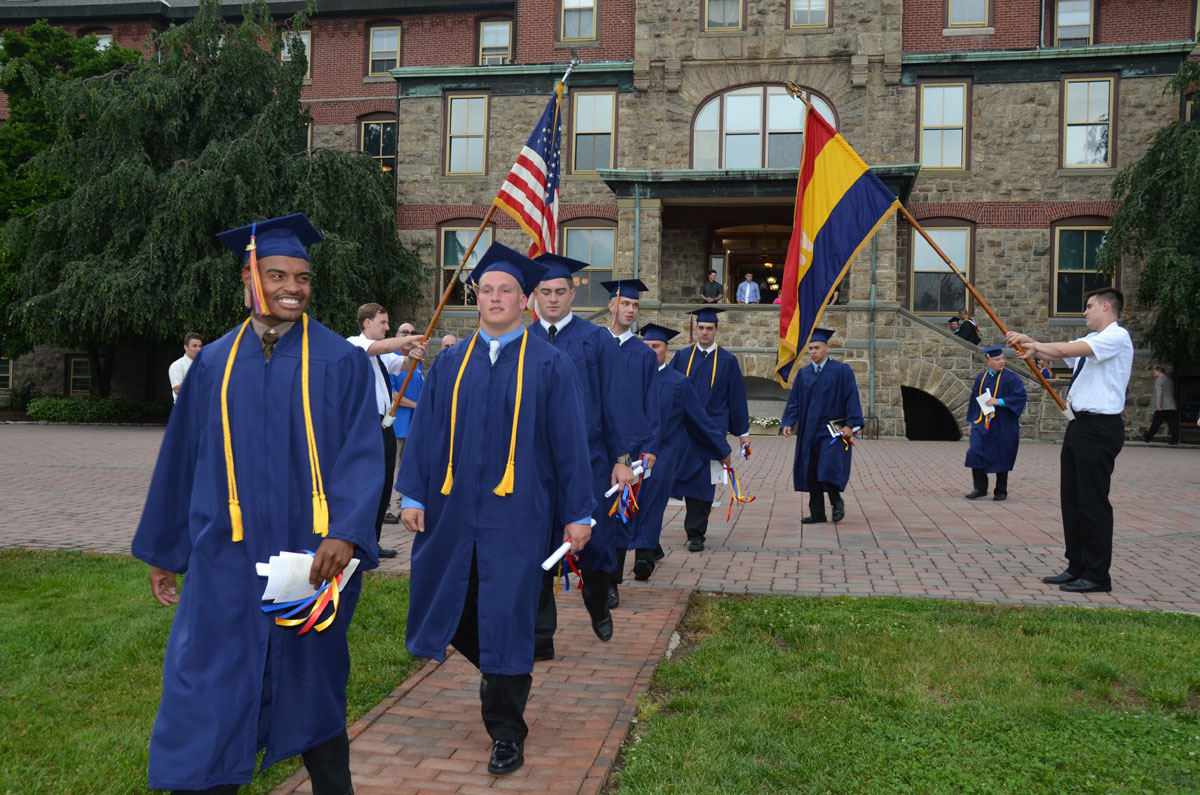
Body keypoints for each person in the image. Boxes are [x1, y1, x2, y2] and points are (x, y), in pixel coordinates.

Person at [131, 213, 382, 795]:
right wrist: (165, 550)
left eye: (302, 276)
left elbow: (364, 456)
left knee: (314, 690)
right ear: (249, 278)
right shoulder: (214, 363)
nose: (292, 287)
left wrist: (345, 532)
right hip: (225, 558)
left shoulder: (339, 362)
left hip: (311, 558)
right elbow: (180, 463)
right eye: (276, 274)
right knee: (208, 688)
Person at [396, 242, 594, 777]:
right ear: (475, 297)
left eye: (507, 289)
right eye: (487, 289)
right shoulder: (451, 364)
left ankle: (506, 730)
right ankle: (500, 667)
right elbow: (426, 433)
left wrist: (579, 513)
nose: (496, 298)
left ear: (525, 300)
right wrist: (412, 493)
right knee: (448, 600)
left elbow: (571, 444)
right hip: (452, 511)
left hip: (519, 515)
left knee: (508, 614)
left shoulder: (550, 364)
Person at [527, 254, 650, 649]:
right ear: (533, 296)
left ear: (573, 291)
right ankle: (541, 635)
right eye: (544, 292)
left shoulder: (595, 339)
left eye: (560, 291)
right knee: (538, 545)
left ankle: (597, 602)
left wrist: (621, 460)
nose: (552, 299)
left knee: (595, 543)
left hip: (591, 459)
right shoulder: (522, 340)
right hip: (536, 465)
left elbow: (617, 400)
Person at [1006, 286, 1133, 594]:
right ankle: (1076, 565)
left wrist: (1034, 342)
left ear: (1106, 306)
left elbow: (1064, 351)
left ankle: (1097, 575)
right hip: (1080, 426)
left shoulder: (1117, 337)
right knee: (1072, 500)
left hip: (1100, 428)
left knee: (1092, 502)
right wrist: (1033, 348)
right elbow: (1061, 351)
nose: (1085, 312)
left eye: (1089, 306)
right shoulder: (1092, 340)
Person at [635, 323, 731, 580]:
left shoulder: (679, 383)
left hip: (664, 455)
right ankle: (651, 544)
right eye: (645, 347)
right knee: (632, 503)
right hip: (632, 455)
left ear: (667, 350)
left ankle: (643, 557)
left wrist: (721, 449)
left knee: (652, 501)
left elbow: (699, 420)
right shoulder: (628, 378)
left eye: (656, 347)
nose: (650, 351)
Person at [346, 304, 426, 559]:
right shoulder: (355, 345)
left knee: (383, 484)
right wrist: (409, 338)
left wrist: (413, 355)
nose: (387, 327)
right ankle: (357, 540)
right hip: (364, 425)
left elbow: (401, 363)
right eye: (383, 322)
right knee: (366, 485)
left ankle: (374, 540)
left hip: (384, 424)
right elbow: (379, 348)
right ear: (367, 323)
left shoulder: (384, 354)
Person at [668, 308, 751, 551]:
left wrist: (742, 433)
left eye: (709, 329)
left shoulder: (727, 361)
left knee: (704, 482)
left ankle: (696, 534)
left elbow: (736, 398)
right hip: (684, 431)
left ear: (716, 330)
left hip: (712, 433)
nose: (705, 333)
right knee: (678, 476)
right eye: (701, 328)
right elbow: (669, 390)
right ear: (696, 330)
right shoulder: (682, 357)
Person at [600, 278, 660, 604]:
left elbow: (653, 405)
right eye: (625, 303)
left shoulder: (644, 354)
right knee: (594, 510)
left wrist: (650, 446)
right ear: (612, 305)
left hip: (632, 448)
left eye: (635, 305)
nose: (630, 309)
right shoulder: (593, 344)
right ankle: (593, 574)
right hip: (595, 445)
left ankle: (612, 582)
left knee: (621, 513)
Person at [780, 328, 864, 524]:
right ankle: (817, 513)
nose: (813, 352)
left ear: (827, 348)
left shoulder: (842, 371)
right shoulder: (804, 373)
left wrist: (852, 425)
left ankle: (837, 503)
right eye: (810, 349)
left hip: (832, 431)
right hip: (809, 430)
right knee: (811, 471)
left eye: (817, 348)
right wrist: (788, 422)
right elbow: (795, 401)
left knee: (828, 467)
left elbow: (851, 397)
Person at [963, 345, 1027, 501]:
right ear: (989, 360)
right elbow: (974, 400)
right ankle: (980, 488)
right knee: (975, 452)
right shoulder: (981, 378)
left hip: (1003, 424)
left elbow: (1020, 397)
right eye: (998, 359)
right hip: (982, 422)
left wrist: (999, 401)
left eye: (1003, 358)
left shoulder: (1012, 378)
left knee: (1002, 453)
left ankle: (1000, 490)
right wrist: (972, 422)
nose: (1002, 361)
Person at [383, 322, 424, 525]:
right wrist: (417, 405)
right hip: (398, 423)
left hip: (414, 425)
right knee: (394, 467)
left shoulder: (417, 363)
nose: (409, 335)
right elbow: (393, 394)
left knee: (407, 467)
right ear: (398, 335)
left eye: (412, 332)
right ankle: (389, 508)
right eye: (405, 332)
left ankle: (400, 506)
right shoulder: (393, 361)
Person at [1141, 365, 1180, 445]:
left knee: (1156, 422)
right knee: (1172, 423)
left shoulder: (1159, 380)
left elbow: (1159, 393)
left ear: (1159, 371)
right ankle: (1175, 439)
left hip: (1163, 406)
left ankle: (1147, 437)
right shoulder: (1169, 380)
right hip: (1171, 405)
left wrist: (1158, 405)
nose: (1154, 373)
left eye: (1155, 371)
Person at [168, 332, 202, 402]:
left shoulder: (204, 364)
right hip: (185, 410)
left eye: (200, 346)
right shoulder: (177, 365)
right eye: (195, 346)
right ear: (185, 347)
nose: (198, 349)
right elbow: (177, 390)